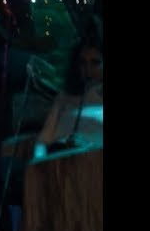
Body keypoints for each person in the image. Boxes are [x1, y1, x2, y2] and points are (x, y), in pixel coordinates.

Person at [34, 30, 103, 159]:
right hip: (60, 165)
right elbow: (43, 140)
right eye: (82, 63)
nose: (88, 69)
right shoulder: (65, 97)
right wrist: (40, 160)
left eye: (95, 63)